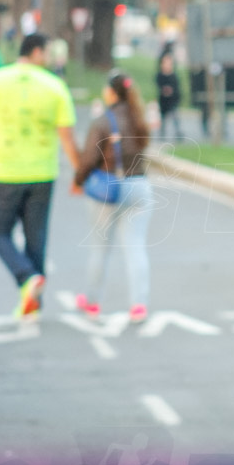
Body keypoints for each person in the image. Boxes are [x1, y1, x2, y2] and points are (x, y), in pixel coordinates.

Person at [0, 32, 80, 318]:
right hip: (42, 174)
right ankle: (33, 300)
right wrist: (78, 173)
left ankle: (26, 278)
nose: (47, 59)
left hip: (4, 174)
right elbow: (67, 137)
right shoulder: (55, 86)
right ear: (35, 52)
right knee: (36, 239)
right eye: (45, 53)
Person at [71, 70, 154, 324]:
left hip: (109, 188)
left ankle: (93, 301)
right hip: (139, 186)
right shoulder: (138, 119)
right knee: (135, 246)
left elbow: (89, 159)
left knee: (100, 248)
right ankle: (138, 305)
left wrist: (77, 181)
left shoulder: (103, 122)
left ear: (110, 92)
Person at [154, 50, 183, 140]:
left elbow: (177, 87)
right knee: (163, 118)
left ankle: (178, 133)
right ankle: (162, 134)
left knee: (175, 117)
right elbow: (159, 85)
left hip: (172, 100)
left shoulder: (174, 75)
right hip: (163, 100)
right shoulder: (160, 75)